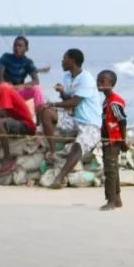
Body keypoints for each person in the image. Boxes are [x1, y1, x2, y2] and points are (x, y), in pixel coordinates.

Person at [39, 48, 103, 189]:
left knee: (78, 146)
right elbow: (68, 99)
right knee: (46, 112)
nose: (62, 61)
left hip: (90, 124)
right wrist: (62, 92)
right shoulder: (67, 77)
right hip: (75, 120)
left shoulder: (86, 78)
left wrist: (53, 104)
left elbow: (75, 102)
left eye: (64, 58)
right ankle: (54, 151)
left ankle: (59, 178)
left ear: (72, 61)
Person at [97, 70, 128, 211]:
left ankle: (110, 201)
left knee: (110, 171)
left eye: (103, 81)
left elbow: (122, 121)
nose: (99, 83)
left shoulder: (114, 102)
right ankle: (117, 199)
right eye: (99, 81)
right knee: (113, 169)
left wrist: (123, 140)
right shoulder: (106, 101)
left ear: (112, 84)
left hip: (113, 141)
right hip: (106, 140)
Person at [0, 35, 46, 111]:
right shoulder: (6, 57)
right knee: (4, 87)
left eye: (20, 46)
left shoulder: (28, 62)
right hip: (6, 90)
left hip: (19, 91)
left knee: (37, 89)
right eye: (15, 45)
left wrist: (22, 86)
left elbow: (36, 81)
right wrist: (6, 84)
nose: (17, 48)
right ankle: (3, 113)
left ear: (26, 49)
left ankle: (39, 118)